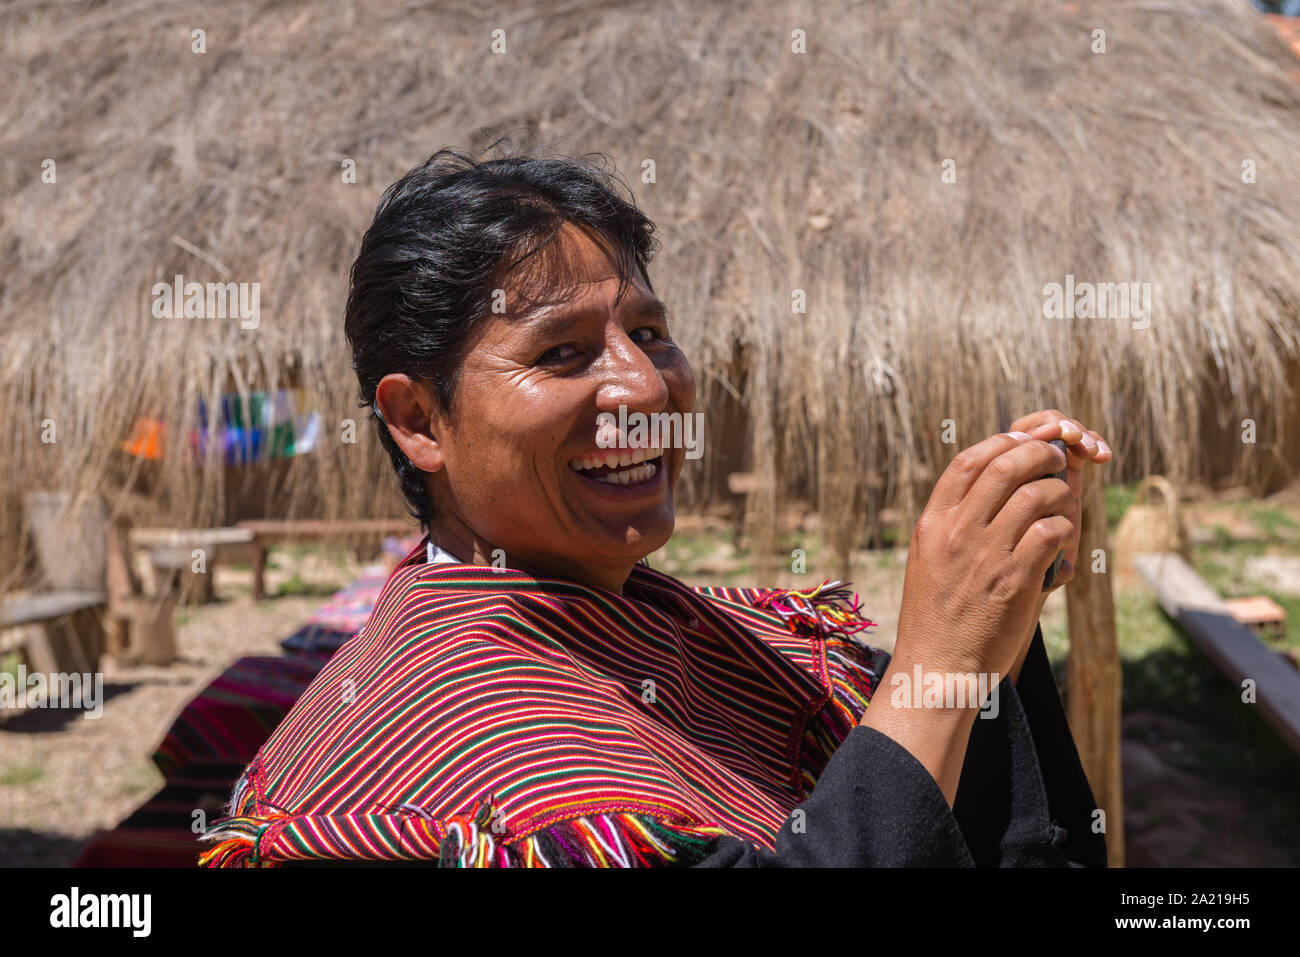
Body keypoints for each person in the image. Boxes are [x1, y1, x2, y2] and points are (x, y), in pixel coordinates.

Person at [200, 144, 1113, 867]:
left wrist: (994, 602)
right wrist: (935, 661)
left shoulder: (685, 634)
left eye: (648, 332)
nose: (643, 386)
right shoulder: (452, 746)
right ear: (418, 419)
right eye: (560, 352)